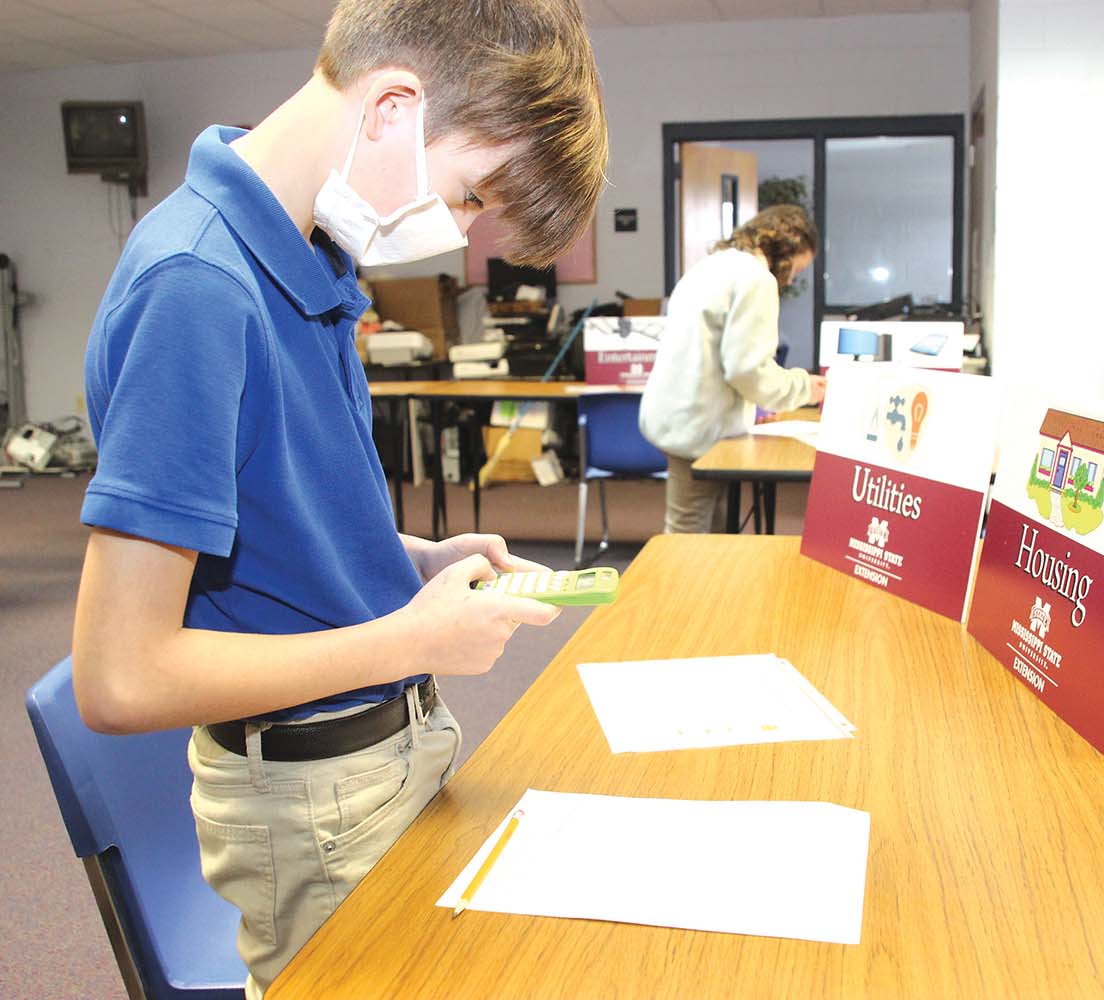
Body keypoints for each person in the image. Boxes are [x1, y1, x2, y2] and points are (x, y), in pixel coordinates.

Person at [69, 2, 607, 995]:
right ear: (392, 108)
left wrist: (408, 559)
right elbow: (120, 676)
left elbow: (268, 516)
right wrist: (410, 640)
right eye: (468, 196)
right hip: (314, 794)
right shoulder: (197, 286)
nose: (458, 232)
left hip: (385, 749)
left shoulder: (309, 256)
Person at [639, 204, 827, 533]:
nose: (791, 278)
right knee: (687, 533)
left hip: (679, 413)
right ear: (786, 251)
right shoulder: (756, 279)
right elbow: (747, 369)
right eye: (796, 269)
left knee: (709, 526)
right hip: (698, 424)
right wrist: (804, 387)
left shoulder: (712, 266)